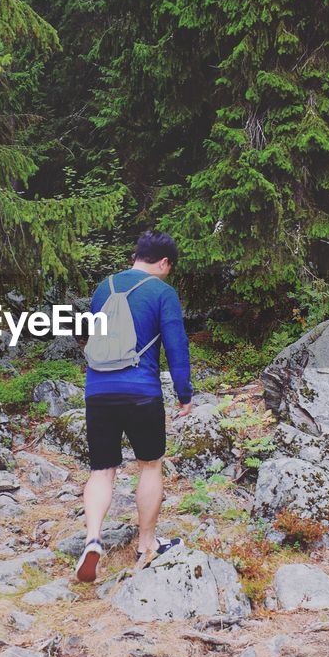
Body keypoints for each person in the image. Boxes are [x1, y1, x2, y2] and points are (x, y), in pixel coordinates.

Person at [74, 230, 193, 582]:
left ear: (135, 256)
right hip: (141, 391)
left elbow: (89, 337)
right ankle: (147, 544)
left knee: (101, 470)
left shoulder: (103, 288)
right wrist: (184, 394)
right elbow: (176, 346)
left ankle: (93, 538)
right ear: (164, 262)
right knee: (150, 466)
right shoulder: (162, 292)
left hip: (98, 391)